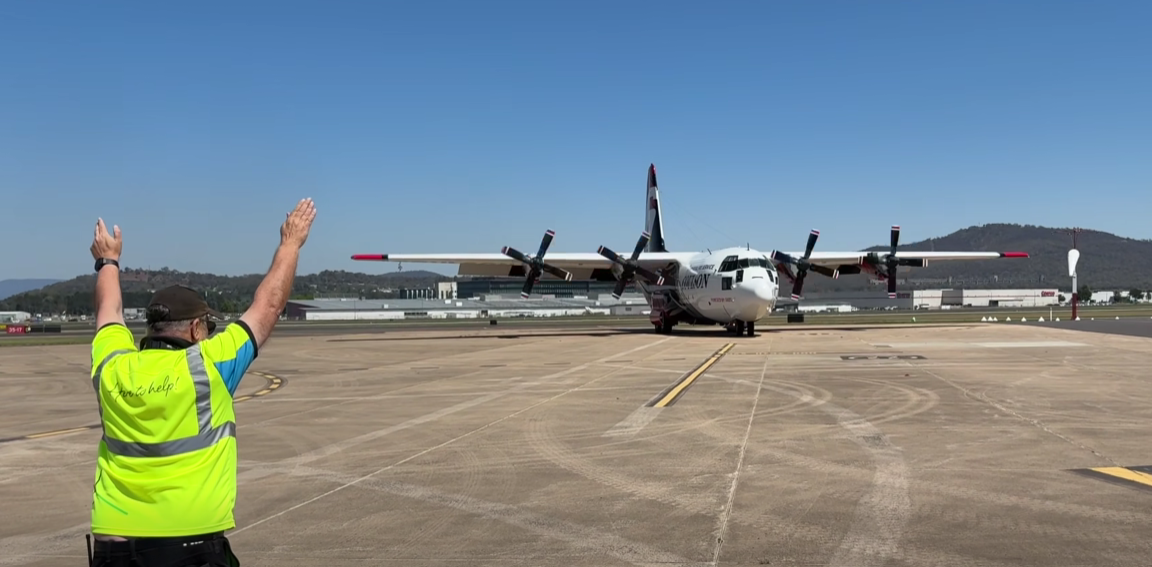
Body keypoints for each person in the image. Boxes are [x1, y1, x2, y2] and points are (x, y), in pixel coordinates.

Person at [84, 198, 317, 567]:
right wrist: (291, 243)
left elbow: (108, 312)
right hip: (187, 549)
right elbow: (268, 306)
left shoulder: (114, 367)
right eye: (208, 328)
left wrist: (108, 261)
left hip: (113, 549)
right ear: (195, 329)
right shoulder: (208, 365)